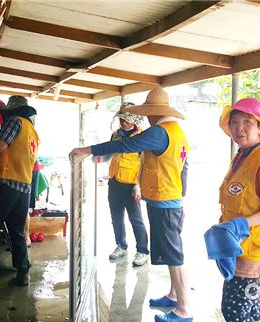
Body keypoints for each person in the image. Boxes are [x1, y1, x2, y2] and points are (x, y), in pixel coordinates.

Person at [70, 87, 192, 322]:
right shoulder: (177, 131)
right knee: (170, 253)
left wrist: (87, 149)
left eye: (148, 113)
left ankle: (184, 310)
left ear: (155, 113)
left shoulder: (160, 132)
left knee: (175, 256)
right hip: (168, 199)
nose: (146, 117)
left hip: (166, 202)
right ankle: (174, 296)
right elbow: (184, 167)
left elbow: (125, 146)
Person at [214, 98, 260, 321]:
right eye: (235, 122)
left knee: (235, 311)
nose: (240, 128)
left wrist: (241, 224)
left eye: (247, 121)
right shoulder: (242, 154)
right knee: (251, 311)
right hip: (238, 248)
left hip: (254, 253)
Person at [0, 95, 40, 289]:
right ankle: (23, 273)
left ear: (12, 110)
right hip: (24, 187)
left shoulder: (14, 121)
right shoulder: (33, 131)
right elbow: (16, 154)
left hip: (5, 184)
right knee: (17, 232)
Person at [103, 102, 150, 266]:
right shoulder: (115, 134)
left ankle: (142, 251)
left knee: (136, 219)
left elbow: (145, 163)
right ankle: (121, 245)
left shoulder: (142, 137)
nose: (124, 123)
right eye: (122, 119)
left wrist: (139, 185)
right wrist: (100, 158)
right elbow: (110, 154)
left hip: (132, 185)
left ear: (135, 120)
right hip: (114, 181)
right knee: (116, 217)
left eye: (127, 120)